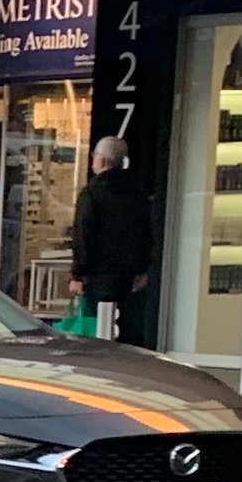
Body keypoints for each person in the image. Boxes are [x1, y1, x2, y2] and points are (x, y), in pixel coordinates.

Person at [69, 134, 153, 337]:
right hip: (128, 275)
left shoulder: (91, 192)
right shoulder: (137, 192)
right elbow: (145, 232)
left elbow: (83, 235)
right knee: (124, 327)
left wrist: (78, 274)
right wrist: (143, 269)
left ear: (101, 160)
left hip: (98, 274)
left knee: (97, 326)